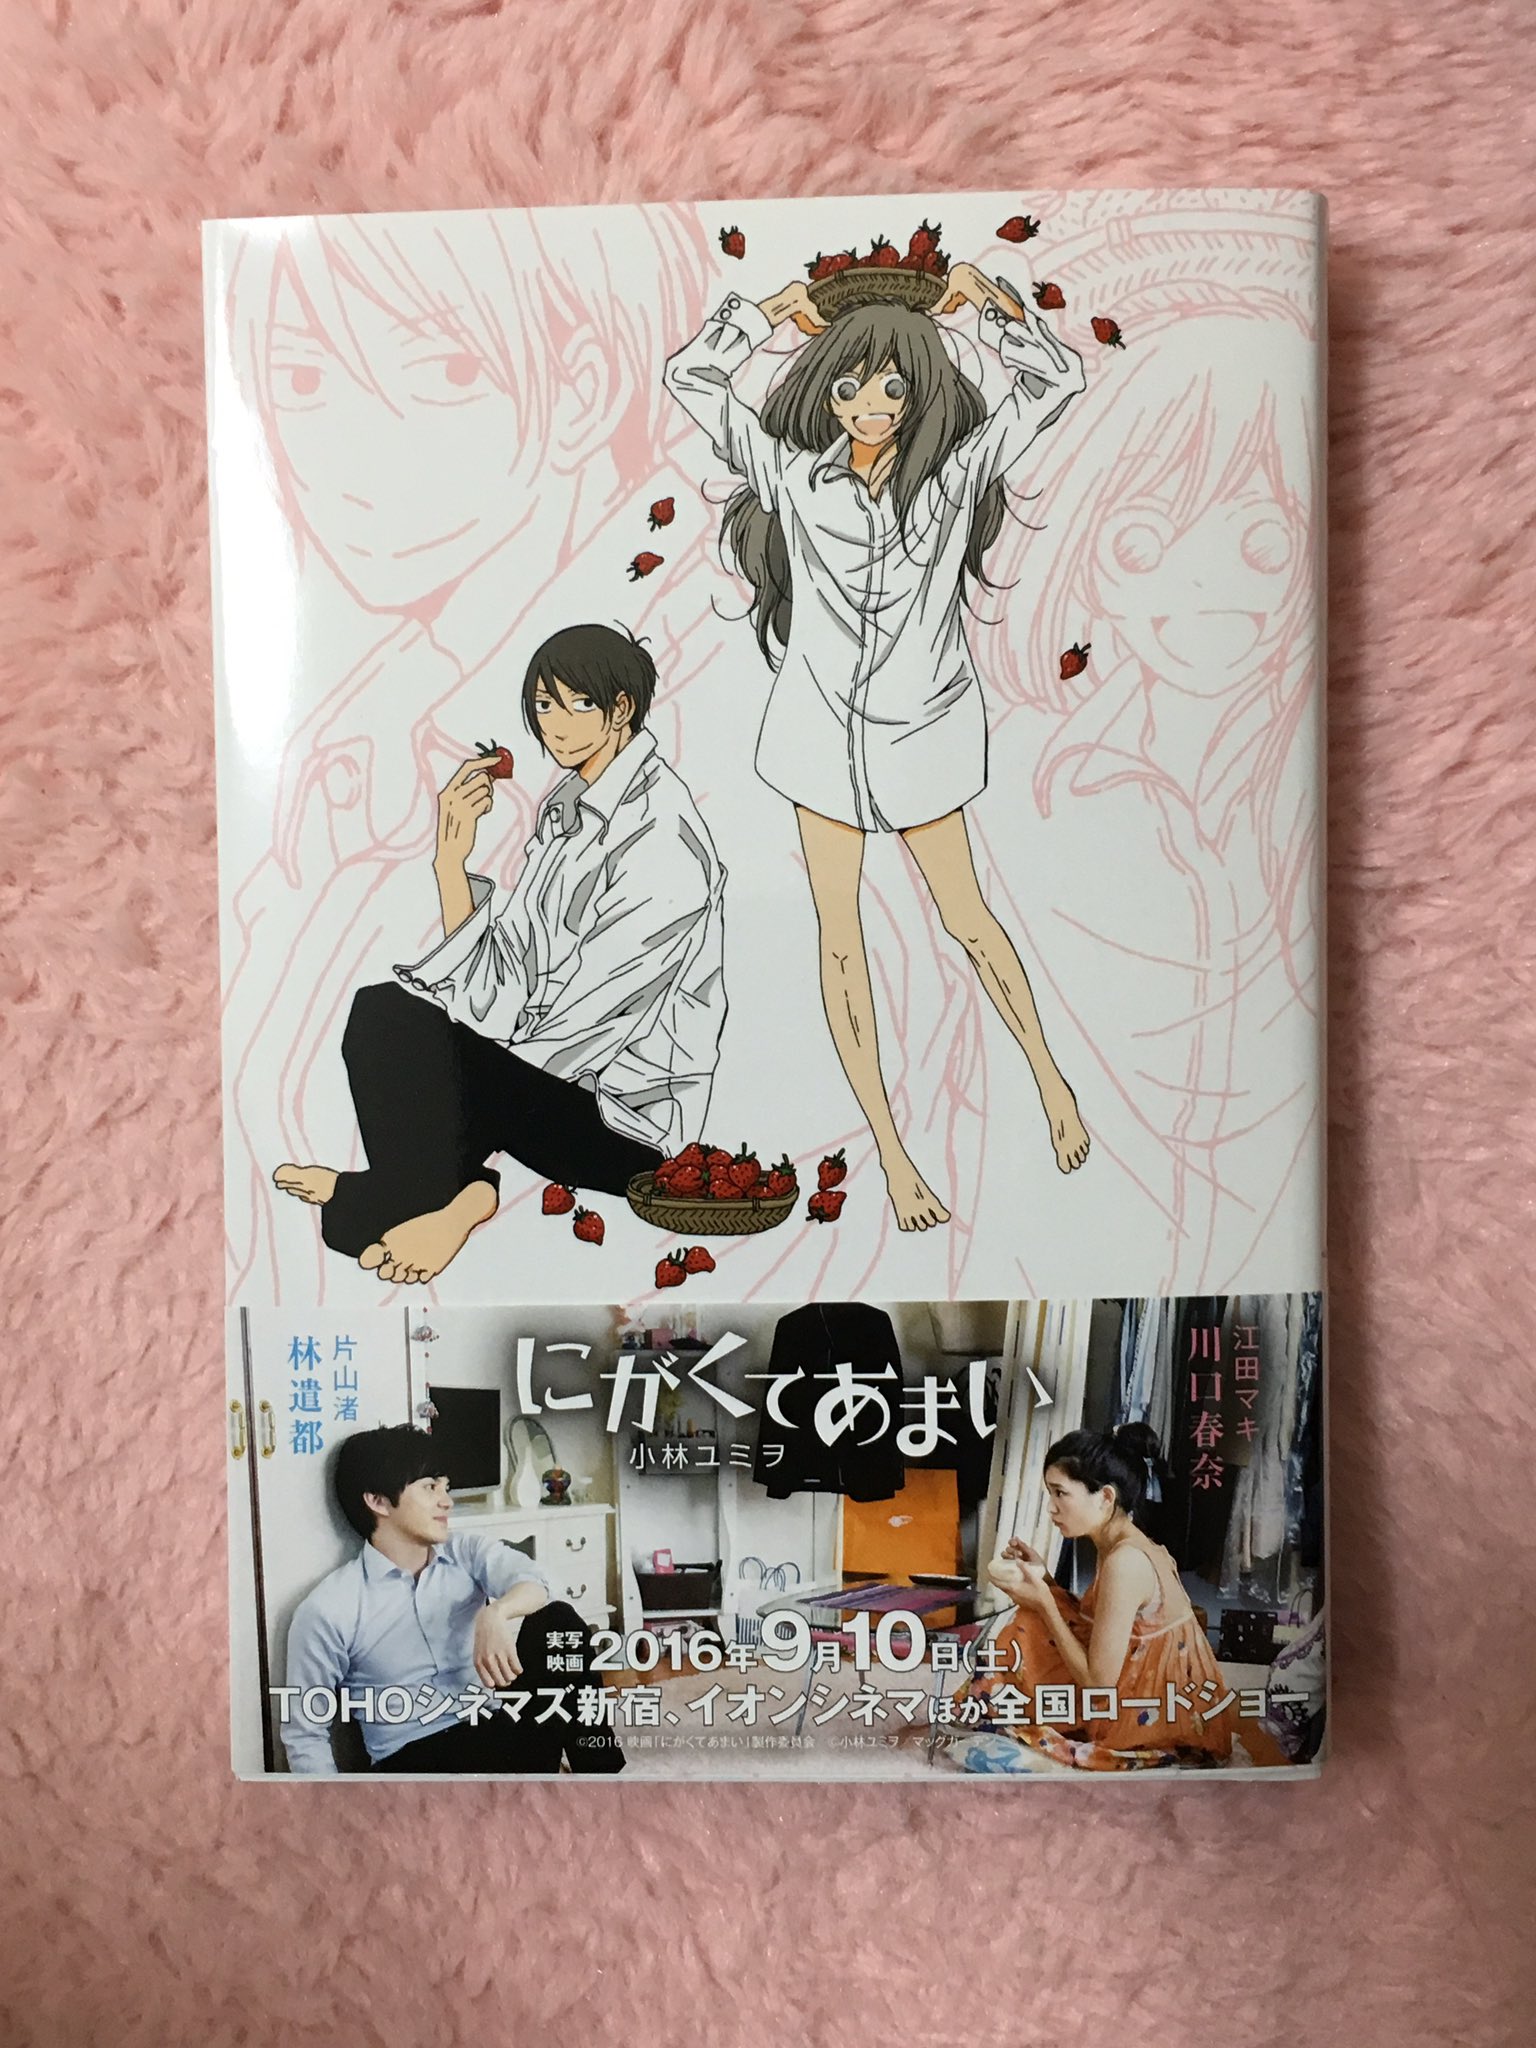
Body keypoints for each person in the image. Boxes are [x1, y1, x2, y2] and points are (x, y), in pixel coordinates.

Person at [663, 263, 1091, 1233]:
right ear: (828, 392)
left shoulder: (957, 475)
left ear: (920, 392)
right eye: (853, 385)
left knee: (968, 919)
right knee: (840, 938)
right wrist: (767, 315)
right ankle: (896, 1158)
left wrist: (985, 305)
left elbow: (1056, 382)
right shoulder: (790, 474)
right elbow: (691, 379)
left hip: (922, 734)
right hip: (816, 738)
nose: (872, 405)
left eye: (894, 386)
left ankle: (1053, 1082)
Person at [271, 624, 726, 1285]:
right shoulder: (570, 809)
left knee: (404, 1031)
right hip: (552, 1078)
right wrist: (451, 863)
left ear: (621, 709)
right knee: (386, 1014)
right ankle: (435, 1194)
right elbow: (507, 978)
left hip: (624, 1123)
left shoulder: (662, 835)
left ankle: (435, 1197)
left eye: (577, 705)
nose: (555, 727)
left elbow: (588, 1027)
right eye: (543, 706)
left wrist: (460, 1064)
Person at [281, 1425, 624, 1775]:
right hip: (413, 1764)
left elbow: (542, 1583)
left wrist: (497, 1613)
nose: (447, 1501)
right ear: (378, 1501)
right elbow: (305, 1733)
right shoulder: (330, 1608)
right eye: (430, 1487)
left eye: (445, 1487)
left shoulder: (465, 1552)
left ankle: (606, 1786)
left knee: (558, 1622)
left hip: (494, 1731)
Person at [960, 1422, 1237, 1770]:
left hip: (1158, 1722)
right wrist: (1045, 1579)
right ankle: (991, 1706)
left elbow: (1098, 1682)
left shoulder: (1126, 1561)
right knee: (1038, 1617)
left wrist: (1044, 1602)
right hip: (1141, 1691)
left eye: (1060, 1493)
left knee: (1031, 1623)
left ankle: (988, 1708)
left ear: (1106, 1497)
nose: (1051, 1508)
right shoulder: (1117, 1542)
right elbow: (1095, 1623)